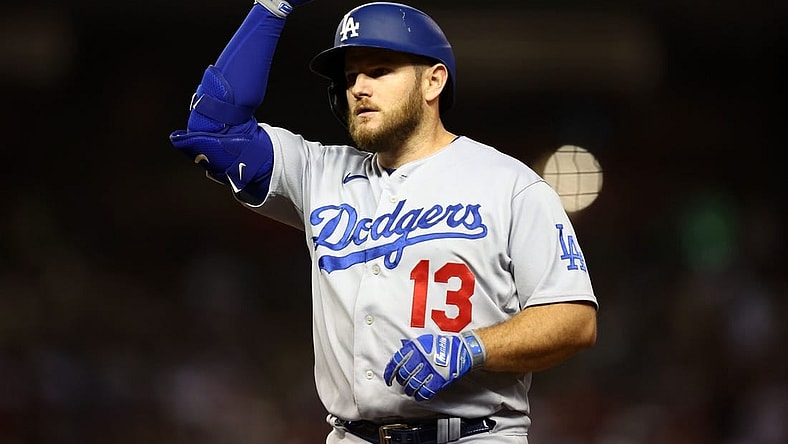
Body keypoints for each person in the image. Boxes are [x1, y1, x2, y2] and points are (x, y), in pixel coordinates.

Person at [169, 1, 599, 442]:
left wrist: (474, 347)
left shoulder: (509, 184)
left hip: (474, 434)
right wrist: (271, 7)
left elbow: (574, 319)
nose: (359, 87)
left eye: (379, 71)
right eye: (351, 76)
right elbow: (214, 128)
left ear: (433, 81)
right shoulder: (319, 173)